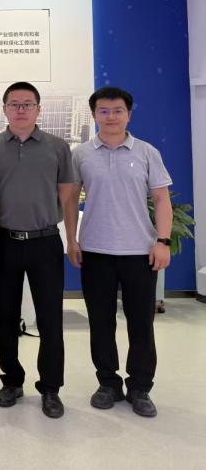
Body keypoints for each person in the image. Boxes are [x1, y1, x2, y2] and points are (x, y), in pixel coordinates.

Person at [66, 86, 173, 418]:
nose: (110, 117)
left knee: (141, 324)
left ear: (128, 114)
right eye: (103, 111)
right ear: (94, 114)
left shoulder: (146, 152)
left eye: (117, 111)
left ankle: (140, 387)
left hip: (140, 252)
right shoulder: (81, 154)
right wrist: (72, 240)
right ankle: (108, 384)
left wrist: (163, 241)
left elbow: (162, 200)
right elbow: (70, 201)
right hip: (95, 251)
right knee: (101, 323)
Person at [0, 81, 75, 419]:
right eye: (14, 104)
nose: (21, 110)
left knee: (50, 318)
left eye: (28, 104)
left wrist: (49, 219)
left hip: (45, 241)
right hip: (5, 242)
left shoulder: (58, 147)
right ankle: (12, 381)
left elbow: (66, 193)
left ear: (38, 109)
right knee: (5, 317)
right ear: (4, 109)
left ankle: (50, 388)